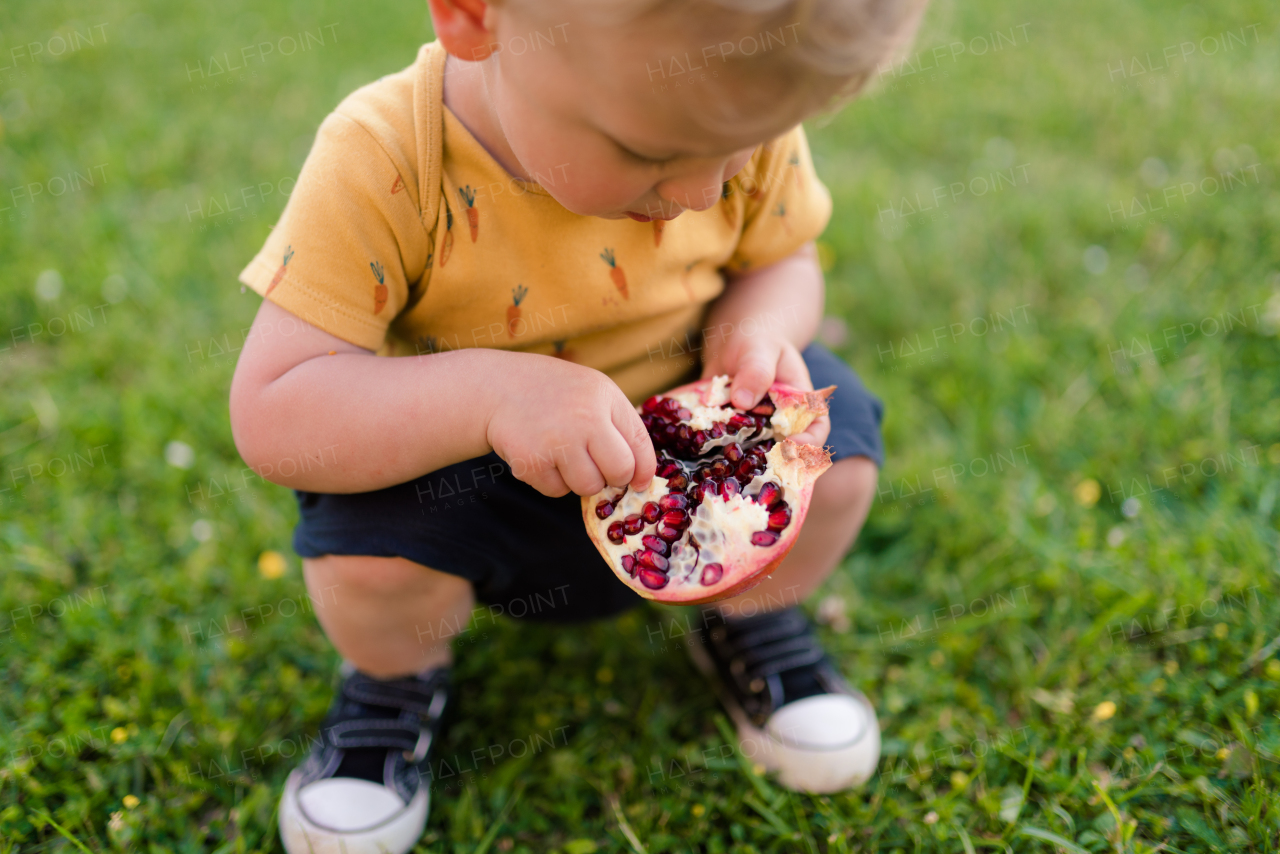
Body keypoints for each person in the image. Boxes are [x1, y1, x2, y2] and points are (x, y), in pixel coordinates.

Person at [229, 0, 924, 850]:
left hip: (688, 442)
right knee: (368, 564)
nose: (702, 194)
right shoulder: (385, 157)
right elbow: (275, 407)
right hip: (470, 478)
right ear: (474, 17)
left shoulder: (732, 104)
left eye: (737, 157)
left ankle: (749, 612)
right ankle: (391, 687)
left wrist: (760, 325)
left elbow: (783, 258)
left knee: (839, 454)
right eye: (650, 154)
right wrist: (492, 398)